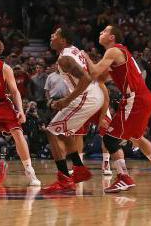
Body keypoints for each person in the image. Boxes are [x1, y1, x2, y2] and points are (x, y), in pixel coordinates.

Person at [84, 25, 151, 194]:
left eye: (104, 31)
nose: (100, 32)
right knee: (136, 137)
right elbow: (101, 77)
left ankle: (124, 177)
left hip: (135, 99)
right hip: (143, 98)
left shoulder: (113, 51)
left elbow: (94, 72)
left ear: (112, 37)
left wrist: (85, 57)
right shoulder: (118, 53)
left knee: (110, 139)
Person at [40, 28, 105, 194]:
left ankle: (64, 179)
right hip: (91, 94)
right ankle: (78, 168)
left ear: (63, 40)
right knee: (64, 132)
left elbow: (86, 78)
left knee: (52, 132)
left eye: (55, 35)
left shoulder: (65, 58)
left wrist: (66, 100)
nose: (51, 36)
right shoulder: (74, 50)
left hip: (86, 97)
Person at [0, 36, 41, 186]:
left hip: (2, 104)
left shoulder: (4, 68)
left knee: (18, 133)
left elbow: (15, 92)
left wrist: (20, 110)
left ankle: (30, 171)